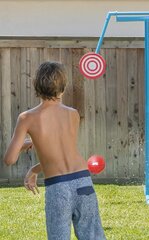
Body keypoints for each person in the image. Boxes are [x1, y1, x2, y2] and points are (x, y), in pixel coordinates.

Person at [3, 61, 106, 240]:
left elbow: (9, 159)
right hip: (83, 181)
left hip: (58, 188)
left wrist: (23, 144)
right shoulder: (73, 114)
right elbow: (60, 150)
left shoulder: (27, 118)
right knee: (93, 236)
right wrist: (34, 166)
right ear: (63, 88)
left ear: (36, 87)